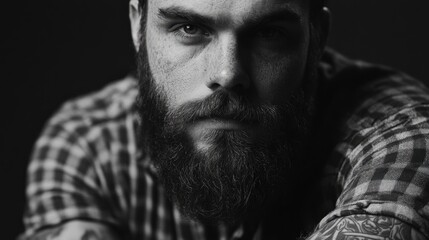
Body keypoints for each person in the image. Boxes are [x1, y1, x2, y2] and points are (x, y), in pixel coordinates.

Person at [22, 0, 429, 239]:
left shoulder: (399, 133)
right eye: (189, 27)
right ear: (137, 25)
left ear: (316, 37)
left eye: (269, 33)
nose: (228, 73)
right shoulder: (87, 144)